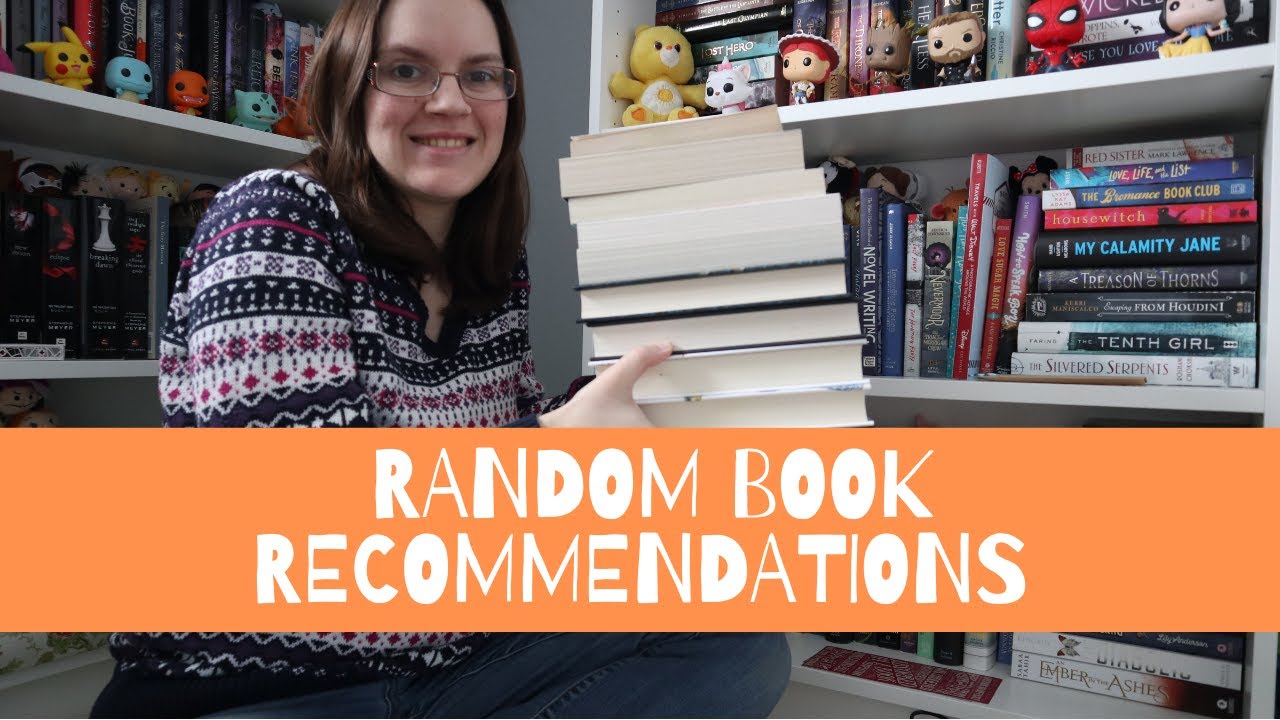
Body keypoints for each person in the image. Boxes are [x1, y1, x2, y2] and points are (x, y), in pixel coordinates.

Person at [88, 0, 791, 716]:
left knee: (736, 632)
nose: (451, 102)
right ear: (349, 84)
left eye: (480, 75)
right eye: (406, 70)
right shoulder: (273, 218)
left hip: (445, 660)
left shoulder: (492, 264)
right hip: (260, 686)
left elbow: (505, 452)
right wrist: (556, 443)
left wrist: (635, 400)